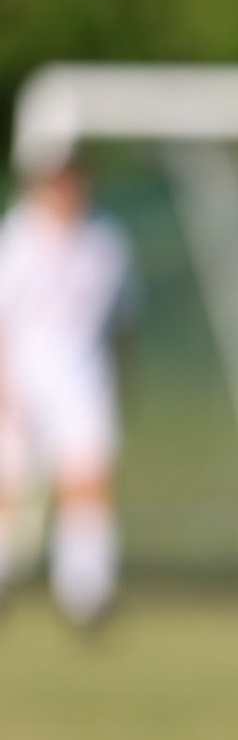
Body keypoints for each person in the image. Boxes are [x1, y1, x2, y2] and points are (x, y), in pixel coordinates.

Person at [0, 158, 135, 626]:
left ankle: (85, 589)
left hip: (82, 378)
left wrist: (124, 380)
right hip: (21, 376)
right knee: (10, 483)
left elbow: (122, 325)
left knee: (86, 479)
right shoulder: (16, 237)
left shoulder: (105, 243)